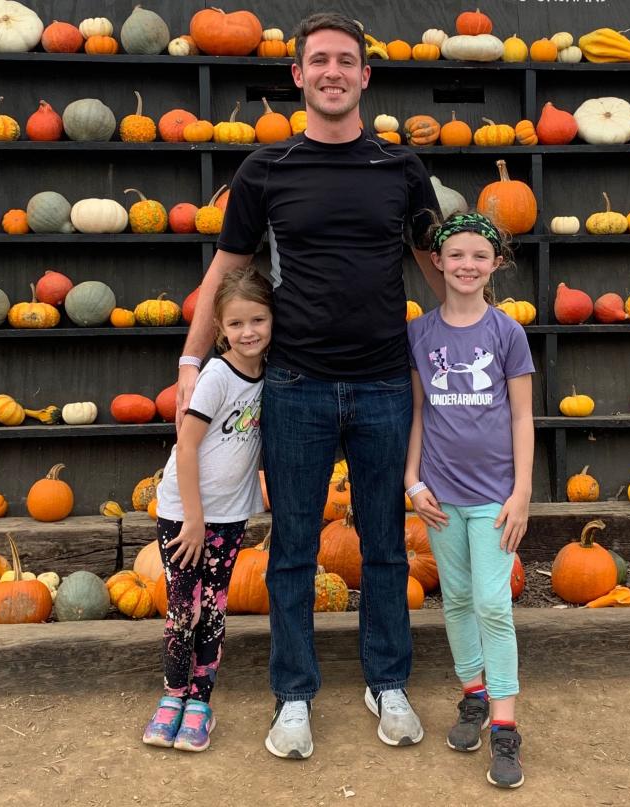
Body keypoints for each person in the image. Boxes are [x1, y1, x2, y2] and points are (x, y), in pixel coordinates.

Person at [175, 12, 443, 759]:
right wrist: (190, 364)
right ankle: (293, 695)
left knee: (386, 546)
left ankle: (387, 681)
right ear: (298, 76)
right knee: (293, 548)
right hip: (295, 387)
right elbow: (226, 271)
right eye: (318, 61)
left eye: (345, 61)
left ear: (365, 76)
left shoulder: (400, 168)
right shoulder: (265, 170)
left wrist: (472, 335)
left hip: (388, 384)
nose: (332, 72)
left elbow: (433, 265)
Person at [404, 211, 534, 789]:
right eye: (455, 255)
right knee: (455, 599)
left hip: (494, 498)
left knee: (491, 604)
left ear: (496, 265)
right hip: (440, 495)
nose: (466, 265)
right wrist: (413, 481)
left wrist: (523, 492)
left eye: (479, 256)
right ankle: (473, 694)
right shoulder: (420, 333)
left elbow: (524, 416)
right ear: (437, 261)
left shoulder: (507, 332)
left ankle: (505, 727)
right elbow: (419, 412)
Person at [144, 267, 272, 753]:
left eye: (258, 320)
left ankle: (200, 702)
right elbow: (189, 445)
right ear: (220, 329)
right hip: (185, 514)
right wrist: (194, 518)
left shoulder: (268, 376)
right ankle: (172, 696)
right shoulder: (217, 376)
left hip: (230, 517)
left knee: (215, 610)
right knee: (183, 610)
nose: (249, 332)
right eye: (236, 324)